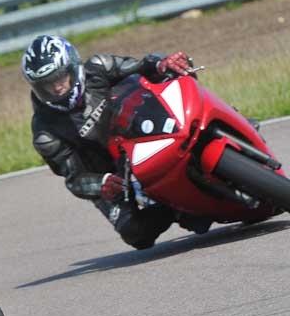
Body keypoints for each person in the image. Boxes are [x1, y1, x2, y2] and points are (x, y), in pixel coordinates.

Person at [20, 34, 210, 249]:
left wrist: (160, 62)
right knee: (136, 234)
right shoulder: (46, 132)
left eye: (60, 78)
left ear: (72, 67)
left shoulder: (99, 67)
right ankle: (178, 208)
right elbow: (74, 178)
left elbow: (140, 66)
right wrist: (100, 184)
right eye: (47, 84)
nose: (56, 88)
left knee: (174, 73)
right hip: (113, 175)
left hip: (141, 130)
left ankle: (218, 122)